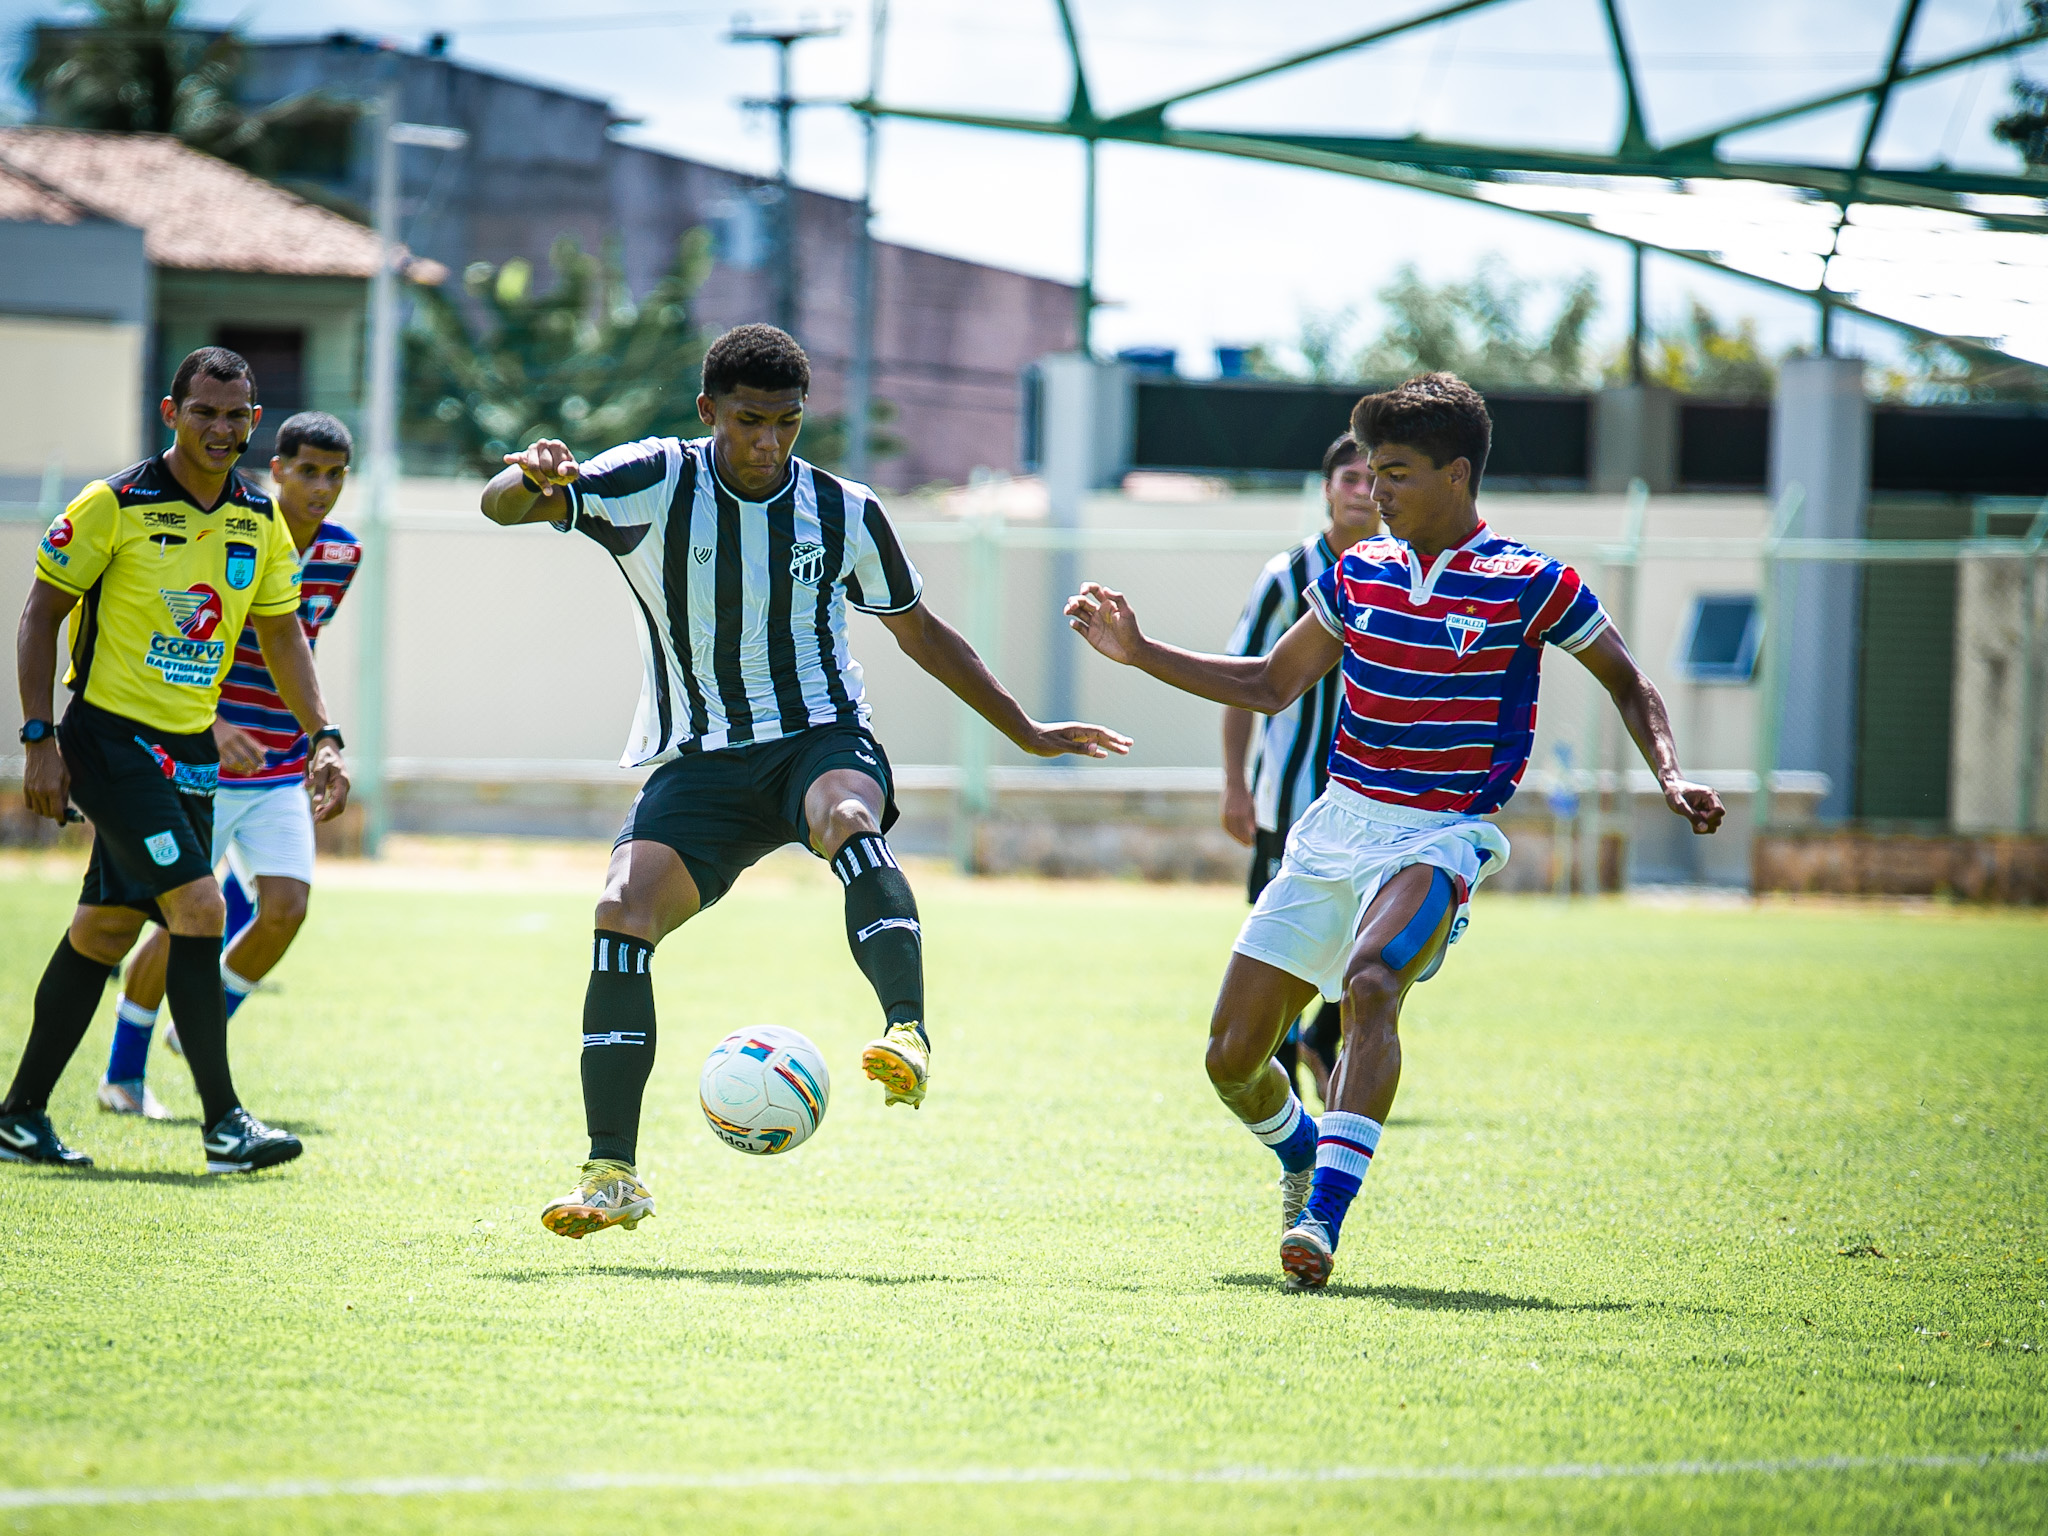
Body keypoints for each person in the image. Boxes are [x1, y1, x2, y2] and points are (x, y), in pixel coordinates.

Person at [1064, 373, 1724, 1289]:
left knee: (1373, 984)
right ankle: (1300, 1152)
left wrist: (1670, 769)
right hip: (1336, 827)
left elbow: (1627, 677)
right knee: (1229, 1061)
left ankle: (1322, 1222)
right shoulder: (1357, 573)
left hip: (1440, 834)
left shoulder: (1531, 582)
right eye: (1371, 472)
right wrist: (1140, 654)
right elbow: (1268, 684)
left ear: (1458, 475)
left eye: (1398, 473)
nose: (1376, 492)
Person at [479, 323, 1130, 1239]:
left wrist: (1023, 730)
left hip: (818, 736)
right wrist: (534, 474)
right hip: (701, 758)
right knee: (621, 911)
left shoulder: (846, 510)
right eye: (748, 422)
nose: (768, 443)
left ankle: (906, 1031)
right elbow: (502, 507)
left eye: (787, 423)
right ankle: (612, 1175)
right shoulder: (654, 477)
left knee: (850, 816)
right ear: (709, 412)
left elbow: (920, 630)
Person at [2, 348, 349, 1173]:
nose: (220, 429)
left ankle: (17, 1118)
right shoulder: (113, 504)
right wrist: (40, 737)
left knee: (107, 928)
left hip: (189, 751)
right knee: (201, 908)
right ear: (172, 413)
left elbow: (280, 634)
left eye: (235, 415)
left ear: (253, 422)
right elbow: (39, 614)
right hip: (111, 741)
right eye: (204, 412)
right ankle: (225, 1125)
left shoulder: (257, 523)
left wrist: (323, 736)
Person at [96, 412, 362, 1118]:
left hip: (278, 769)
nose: (322, 487)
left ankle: (200, 1020)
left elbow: (293, 648)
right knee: (175, 919)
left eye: (335, 474)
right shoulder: (235, 532)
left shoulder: (343, 553)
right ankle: (121, 1076)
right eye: (307, 470)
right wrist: (211, 726)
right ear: (275, 470)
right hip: (200, 765)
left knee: (286, 909)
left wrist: (320, 739)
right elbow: (189, 643)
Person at [1222, 432, 1382, 1104]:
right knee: (1282, 935)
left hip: (1370, 801)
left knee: (1369, 937)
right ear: (1327, 489)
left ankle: (1322, 1038)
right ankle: (1279, 1075)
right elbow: (1242, 679)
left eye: (1376, 478)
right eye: (1350, 477)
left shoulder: (1402, 574)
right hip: (1289, 798)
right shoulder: (1288, 576)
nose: (1363, 491)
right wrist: (1235, 783)